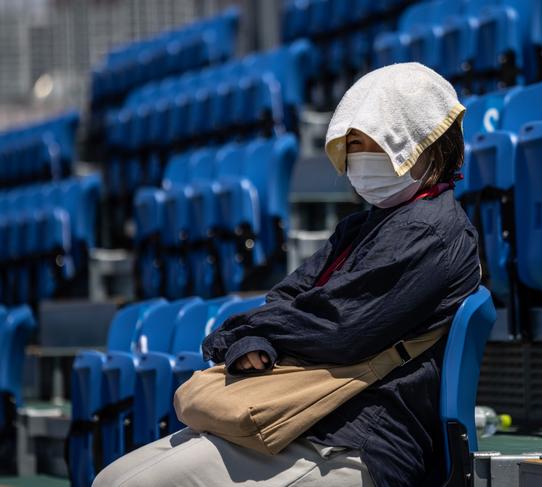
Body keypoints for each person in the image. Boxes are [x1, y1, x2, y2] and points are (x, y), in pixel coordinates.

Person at [93, 62, 480, 487]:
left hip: (356, 441)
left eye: (374, 143)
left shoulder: (430, 230)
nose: (360, 157)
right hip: (299, 423)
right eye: (353, 143)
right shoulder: (362, 226)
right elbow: (288, 297)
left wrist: (244, 330)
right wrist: (253, 335)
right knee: (112, 478)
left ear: (424, 144)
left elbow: (339, 326)